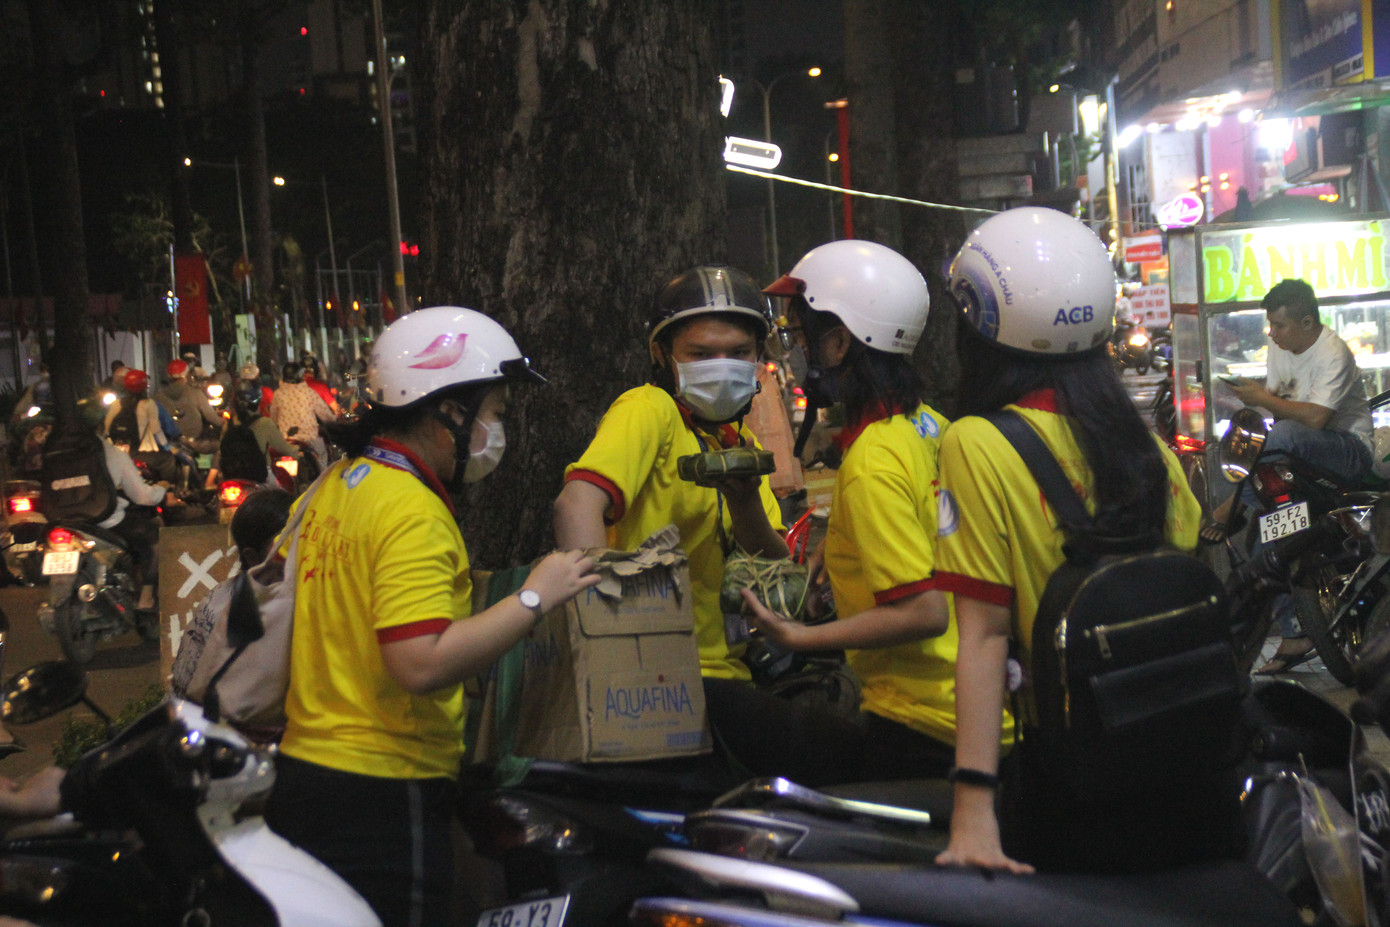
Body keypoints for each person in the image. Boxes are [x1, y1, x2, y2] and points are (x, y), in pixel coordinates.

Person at [263, 306, 599, 927]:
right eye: (495, 413)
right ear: (449, 412)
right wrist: (535, 596)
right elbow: (419, 663)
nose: (498, 431)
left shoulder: (343, 482)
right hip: (383, 790)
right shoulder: (412, 511)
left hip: (307, 772)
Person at [930, 207, 1217, 874]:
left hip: (1075, 766)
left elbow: (984, 636)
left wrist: (973, 809)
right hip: (1188, 752)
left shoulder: (976, 443)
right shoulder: (1144, 447)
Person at [738, 240, 986, 782]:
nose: (794, 351)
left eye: (800, 336)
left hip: (922, 722)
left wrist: (796, 636)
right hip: (975, 700)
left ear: (838, 343)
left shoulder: (872, 459)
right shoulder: (928, 425)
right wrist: (841, 544)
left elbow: (924, 612)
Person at [553, 265, 787, 682]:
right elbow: (575, 505)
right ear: (662, 355)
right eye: (701, 354)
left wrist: (745, 500)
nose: (722, 367)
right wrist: (606, 635)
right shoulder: (649, 410)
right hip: (661, 674)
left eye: (738, 352)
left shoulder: (738, 442)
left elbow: (774, 575)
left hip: (729, 670)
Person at [1204, 277, 1374, 673]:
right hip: (1295, 455)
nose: (1272, 333)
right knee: (1269, 531)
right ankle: (1294, 634)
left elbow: (1315, 419)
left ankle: (1234, 506)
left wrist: (1263, 398)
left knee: (1280, 435)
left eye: (1279, 325)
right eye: (1270, 324)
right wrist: (1254, 401)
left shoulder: (1333, 352)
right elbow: (1280, 410)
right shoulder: (1280, 350)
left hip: (1347, 452)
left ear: (1307, 322)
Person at [89, 399, 180, 613]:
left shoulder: (57, 452)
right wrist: (161, 489)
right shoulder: (112, 454)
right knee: (154, 537)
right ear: (102, 426)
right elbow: (143, 497)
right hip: (106, 520)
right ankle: (146, 599)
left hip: (65, 522)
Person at [204, 379, 302, 489]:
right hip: (260, 477)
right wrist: (298, 452)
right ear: (258, 402)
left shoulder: (228, 424)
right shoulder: (265, 423)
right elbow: (285, 449)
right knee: (283, 495)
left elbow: (221, 451)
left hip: (232, 479)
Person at [105, 368, 178, 485]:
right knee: (168, 459)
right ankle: (169, 489)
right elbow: (160, 430)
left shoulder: (116, 404)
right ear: (145, 386)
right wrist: (169, 444)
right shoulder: (150, 404)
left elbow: (106, 428)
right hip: (142, 453)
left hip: (118, 454)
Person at [268, 361, 335, 462]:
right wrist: (335, 419)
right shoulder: (309, 393)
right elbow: (326, 415)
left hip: (287, 441)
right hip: (309, 440)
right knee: (322, 456)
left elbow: (273, 418)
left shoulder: (278, 394)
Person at [156, 359, 224, 455]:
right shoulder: (195, 393)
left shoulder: (158, 397)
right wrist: (223, 421)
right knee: (219, 447)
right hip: (193, 442)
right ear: (187, 375)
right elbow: (212, 418)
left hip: (168, 443)